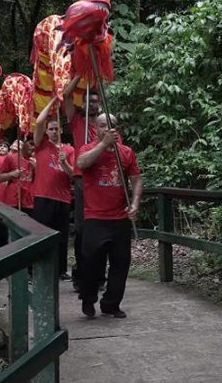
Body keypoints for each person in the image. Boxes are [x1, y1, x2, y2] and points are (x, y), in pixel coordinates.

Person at [76, 113, 143, 319]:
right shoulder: (87, 149)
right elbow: (82, 164)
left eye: (112, 125)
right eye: (103, 125)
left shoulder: (126, 152)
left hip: (119, 217)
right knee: (90, 263)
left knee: (121, 262)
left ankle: (111, 304)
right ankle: (88, 297)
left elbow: (136, 179)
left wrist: (134, 203)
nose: (108, 129)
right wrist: (103, 145)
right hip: (95, 216)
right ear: (96, 129)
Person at [63, 76, 103, 290]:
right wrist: (81, 73)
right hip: (81, 178)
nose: (94, 105)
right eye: (90, 101)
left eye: (96, 101)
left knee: (102, 225)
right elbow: (66, 95)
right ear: (84, 103)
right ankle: (81, 276)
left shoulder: (104, 124)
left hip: (101, 179)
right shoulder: (77, 120)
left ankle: (99, 277)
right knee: (82, 227)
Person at [32, 98, 75, 280]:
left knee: (61, 236)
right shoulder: (41, 144)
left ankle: (60, 270)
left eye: (57, 129)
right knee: (41, 234)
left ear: (61, 130)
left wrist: (64, 162)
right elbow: (39, 121)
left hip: (63, 198)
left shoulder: (69, 150)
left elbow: (72, 175)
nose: (54, 131)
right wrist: (53, 102)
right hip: (43, 195)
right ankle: (36, 270)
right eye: (51, 129)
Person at [0, 139, 36, 215]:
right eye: (29, 147)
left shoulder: (36, 161)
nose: (32, 149)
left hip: (29, 203)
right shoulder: (11, 157)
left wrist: (36, 168)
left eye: (33, 148)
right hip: (12, 201)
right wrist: (11, 174)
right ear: (23, 147)